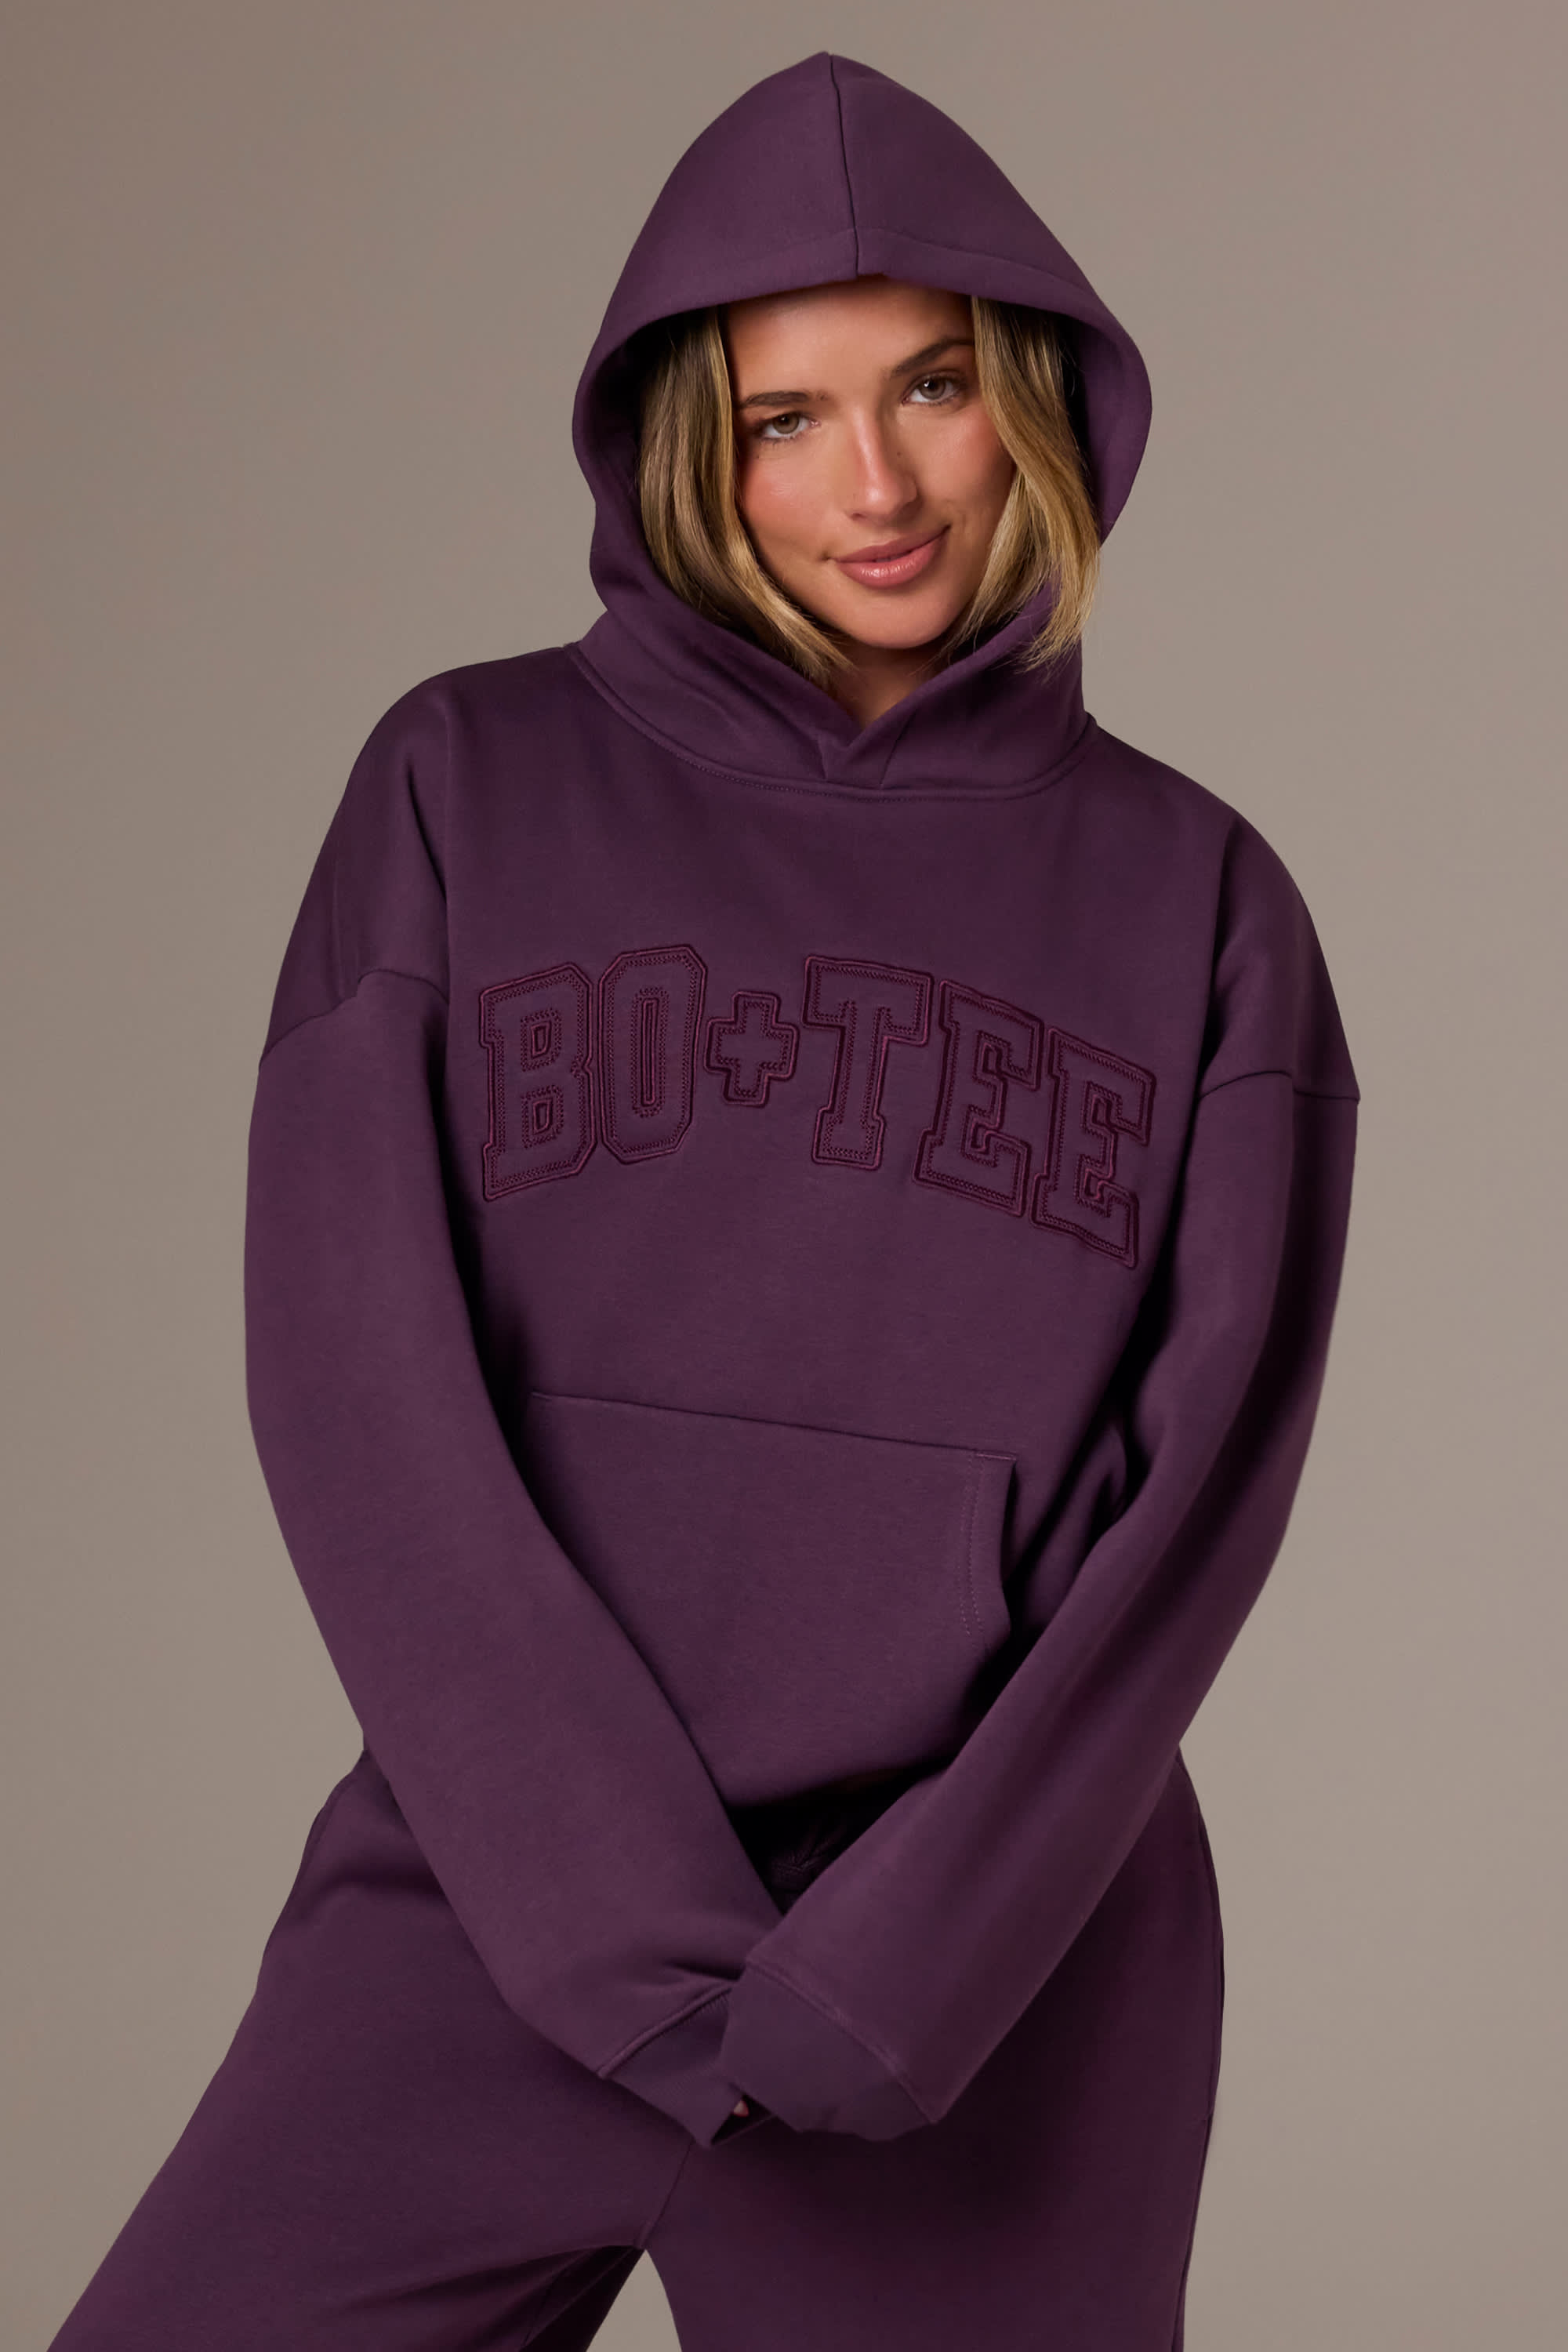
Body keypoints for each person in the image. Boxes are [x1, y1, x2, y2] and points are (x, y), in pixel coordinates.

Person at [47, 49, 1358, 2352]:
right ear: (688, 442)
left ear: (1030, 395)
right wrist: (608, 1924)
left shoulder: (1205, 900)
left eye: (932, 386)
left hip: (984, 1983)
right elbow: (356, 1378)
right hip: (492, 1903)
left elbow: (1202, 1498)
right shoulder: (465, 783)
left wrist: (903, 1976)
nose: (877, 484)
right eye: (786, 417)